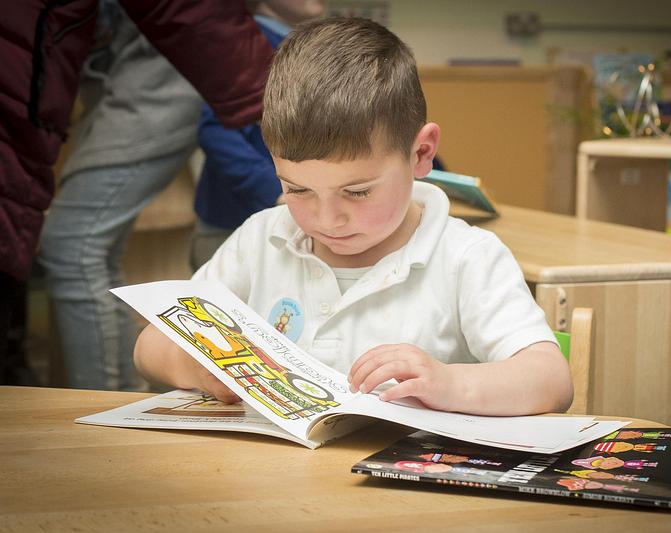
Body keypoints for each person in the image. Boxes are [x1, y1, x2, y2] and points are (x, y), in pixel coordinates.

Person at [134, 17, 573, 416]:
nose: (328, 219)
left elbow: (550, 379)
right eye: (297, 189)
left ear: (421, 154)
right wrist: (199, 371)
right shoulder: (261, 239)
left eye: (357, 191)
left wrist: (450, 381)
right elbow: (151, 344)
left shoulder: (465, 257)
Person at [0, 1, 274, 388]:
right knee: (81, 248)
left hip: (172, 54)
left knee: (75, 245)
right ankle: (116, 401)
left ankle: (110, 401)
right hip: (121, 57)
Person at [191, 0, 325, 271]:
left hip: (290, 223)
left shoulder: (308, 49)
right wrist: (277, 191)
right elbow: (216, 132)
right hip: (231, 227)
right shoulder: (245, 46)